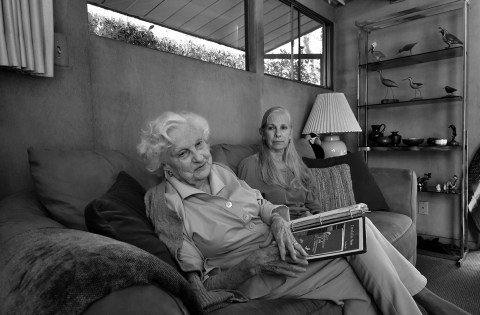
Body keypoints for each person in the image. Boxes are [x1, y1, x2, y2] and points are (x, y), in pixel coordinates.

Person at [138, 110, 469, 315]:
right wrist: (250, 265)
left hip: (287, 243)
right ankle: (428, 301)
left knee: (355, 240)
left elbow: (264, 205)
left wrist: (280, 221)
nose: (199, 157)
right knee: (360, 239)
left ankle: (427, 301)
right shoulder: (163, 201)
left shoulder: (221, 171)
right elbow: (198, 286)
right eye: (184, 152)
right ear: (163, 162)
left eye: (199, 144)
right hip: (256, 273)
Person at [237, 106, 471, 315]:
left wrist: (316, 218)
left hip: (308, 227)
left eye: (283, 127)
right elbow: (251, 211)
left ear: (290, 133)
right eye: (271, 127)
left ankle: (425, 298)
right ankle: (427, 299)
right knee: (358, 232)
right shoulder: (251, 165)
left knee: (361, 223)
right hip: (285, 235)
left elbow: (314, 206)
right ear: (262, 132)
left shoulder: (298, 165)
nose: (277, 133)